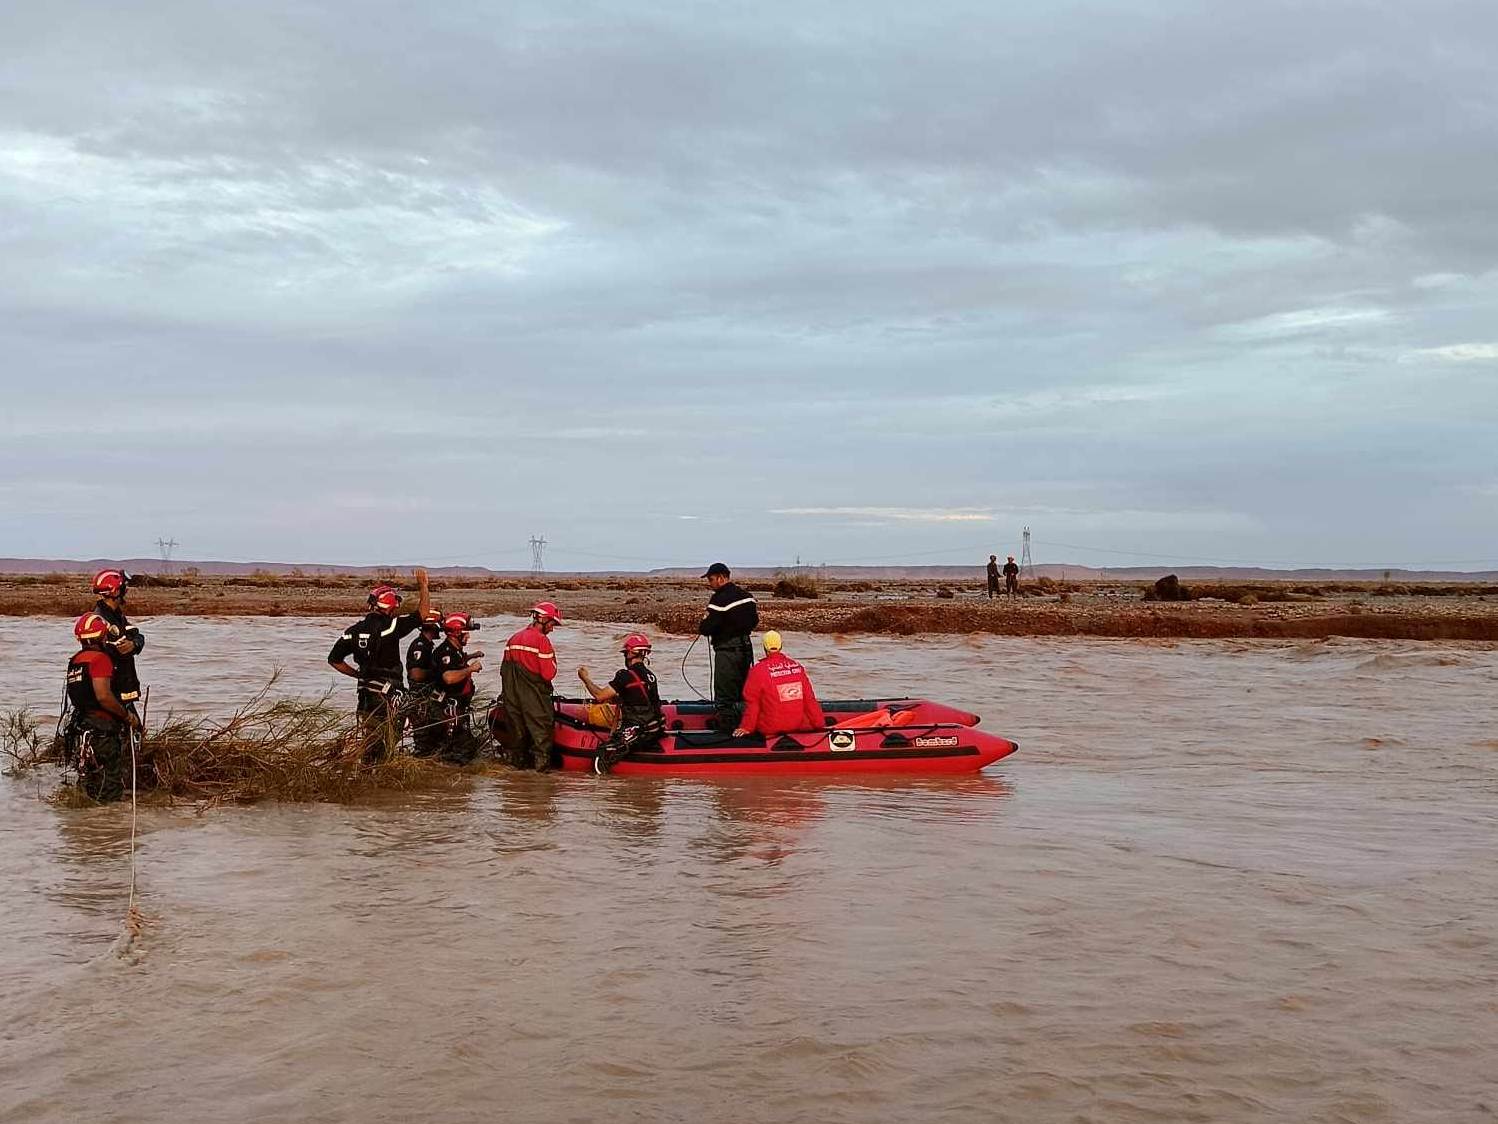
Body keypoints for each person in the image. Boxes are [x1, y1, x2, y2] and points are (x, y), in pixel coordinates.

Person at [327, 569, 430, 761]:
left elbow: (334, 660)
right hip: (386, 696)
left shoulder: (353, 631)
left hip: (365, 695)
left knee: (371, 739)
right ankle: (378, 776)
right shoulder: (391, 627)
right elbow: (423, 614)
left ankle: (366, 775)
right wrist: (423, 585)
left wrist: (358, 675)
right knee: (387, 740)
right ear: (391, 606)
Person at [64, 612, 142, 802]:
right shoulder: (100, 659)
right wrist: (127, 716)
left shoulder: (76, 661)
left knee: (90, 781)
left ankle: (90, 826)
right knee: (109, 787)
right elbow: (104, 696)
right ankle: (108, 828)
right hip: (102, 730)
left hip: (82, 727)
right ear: (102, 636)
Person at [578, 632, 665, 774]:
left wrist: (585, 679)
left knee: (603, 753)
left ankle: (608, 790)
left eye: (625, 653)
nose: (625, 656)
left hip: (640, 728)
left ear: (631, 653)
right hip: (655, 728)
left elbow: (599, 696)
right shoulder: (651, 676)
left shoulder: (624, 676)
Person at [501, 601, 561, 771]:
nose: (552, 628)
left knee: (517, 738)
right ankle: (540, 782)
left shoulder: (513, 639)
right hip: (535, 700)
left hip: (512, 699)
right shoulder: (542, 642)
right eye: (552, 623)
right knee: (541, 738)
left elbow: (504, 671)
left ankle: (517, 782)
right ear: (543, 619)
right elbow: (549, 674)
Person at [698, 562, 758, 731]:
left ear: (721, 578)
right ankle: (745, 727)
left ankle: (726, 735)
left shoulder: (719, 598)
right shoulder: (747, 596)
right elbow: (754, 621)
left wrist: (708, 624)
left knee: (724, 698)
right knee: (743, 693)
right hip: (746, 649)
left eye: (711, 579)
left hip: (727, 651)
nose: (709, 584)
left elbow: (706, 628)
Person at [734, 631, 825, 738]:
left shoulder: (757, 671)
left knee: (741, 706)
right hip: (796, 725)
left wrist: (746, 727)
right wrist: (820, 725)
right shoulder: (796, 667)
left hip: (769, 728)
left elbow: (752, 704)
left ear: (764, 647)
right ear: (781, 645)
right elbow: (809, 700)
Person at [91, 569, 146, 715]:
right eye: (123, 588)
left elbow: (136, 634)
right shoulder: (100, 619)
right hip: (112, 688)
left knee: (134, 730)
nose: (125, 592)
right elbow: (103, 652)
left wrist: (134, 644)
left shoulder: (116, 615)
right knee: (131, 728)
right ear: (115, 592)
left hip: (121, 687)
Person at [432, 612, 484, 765]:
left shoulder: (455, 650)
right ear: (456, 633)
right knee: (461, 750)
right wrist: (471, 669)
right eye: (466, 632)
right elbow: (448, 677)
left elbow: (457, 661)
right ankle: (457, 780)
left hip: (459, 707)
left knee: (466, 746)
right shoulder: (445, 652)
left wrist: (471, 656)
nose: (468, 636)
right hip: (450, 709)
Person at [406, 608, 445, 757]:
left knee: (433, 740)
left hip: (426, 700)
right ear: (432, 627)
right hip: (421, 701)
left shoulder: (427, 645)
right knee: (424, 743)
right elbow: (416, 674)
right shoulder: (420, 646)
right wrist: (438, 673)